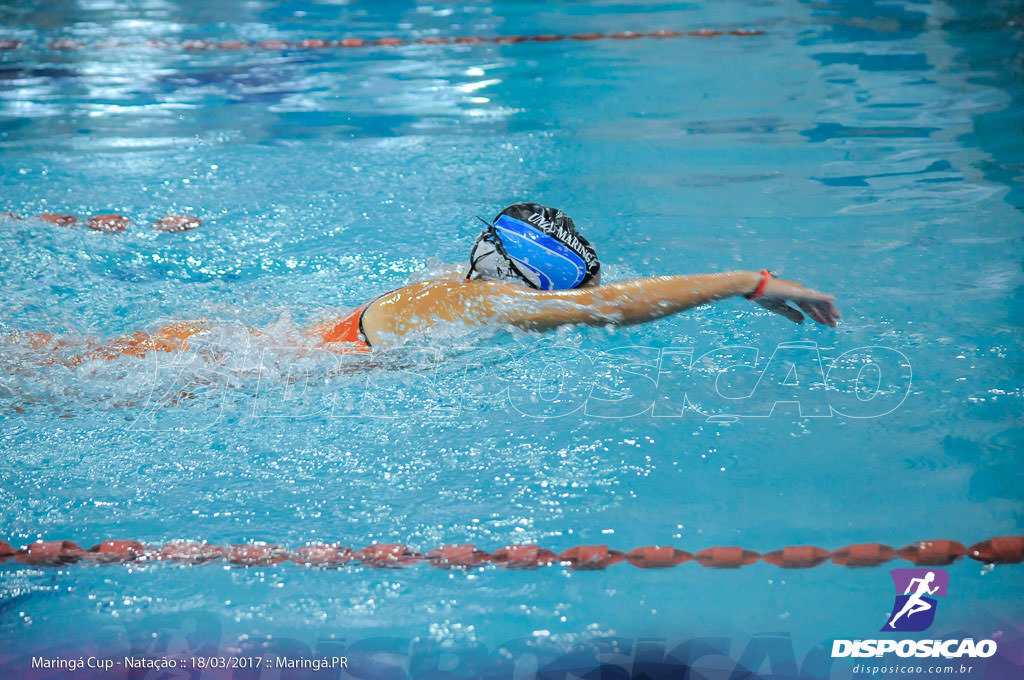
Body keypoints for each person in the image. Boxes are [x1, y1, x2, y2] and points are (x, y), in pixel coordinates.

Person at [16, 203, 840, 364]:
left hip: (222, 344)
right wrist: (745, 279)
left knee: (51, 360)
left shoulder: (447, 284)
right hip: (215, 366)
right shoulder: (487, 302)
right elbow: (607, 310)